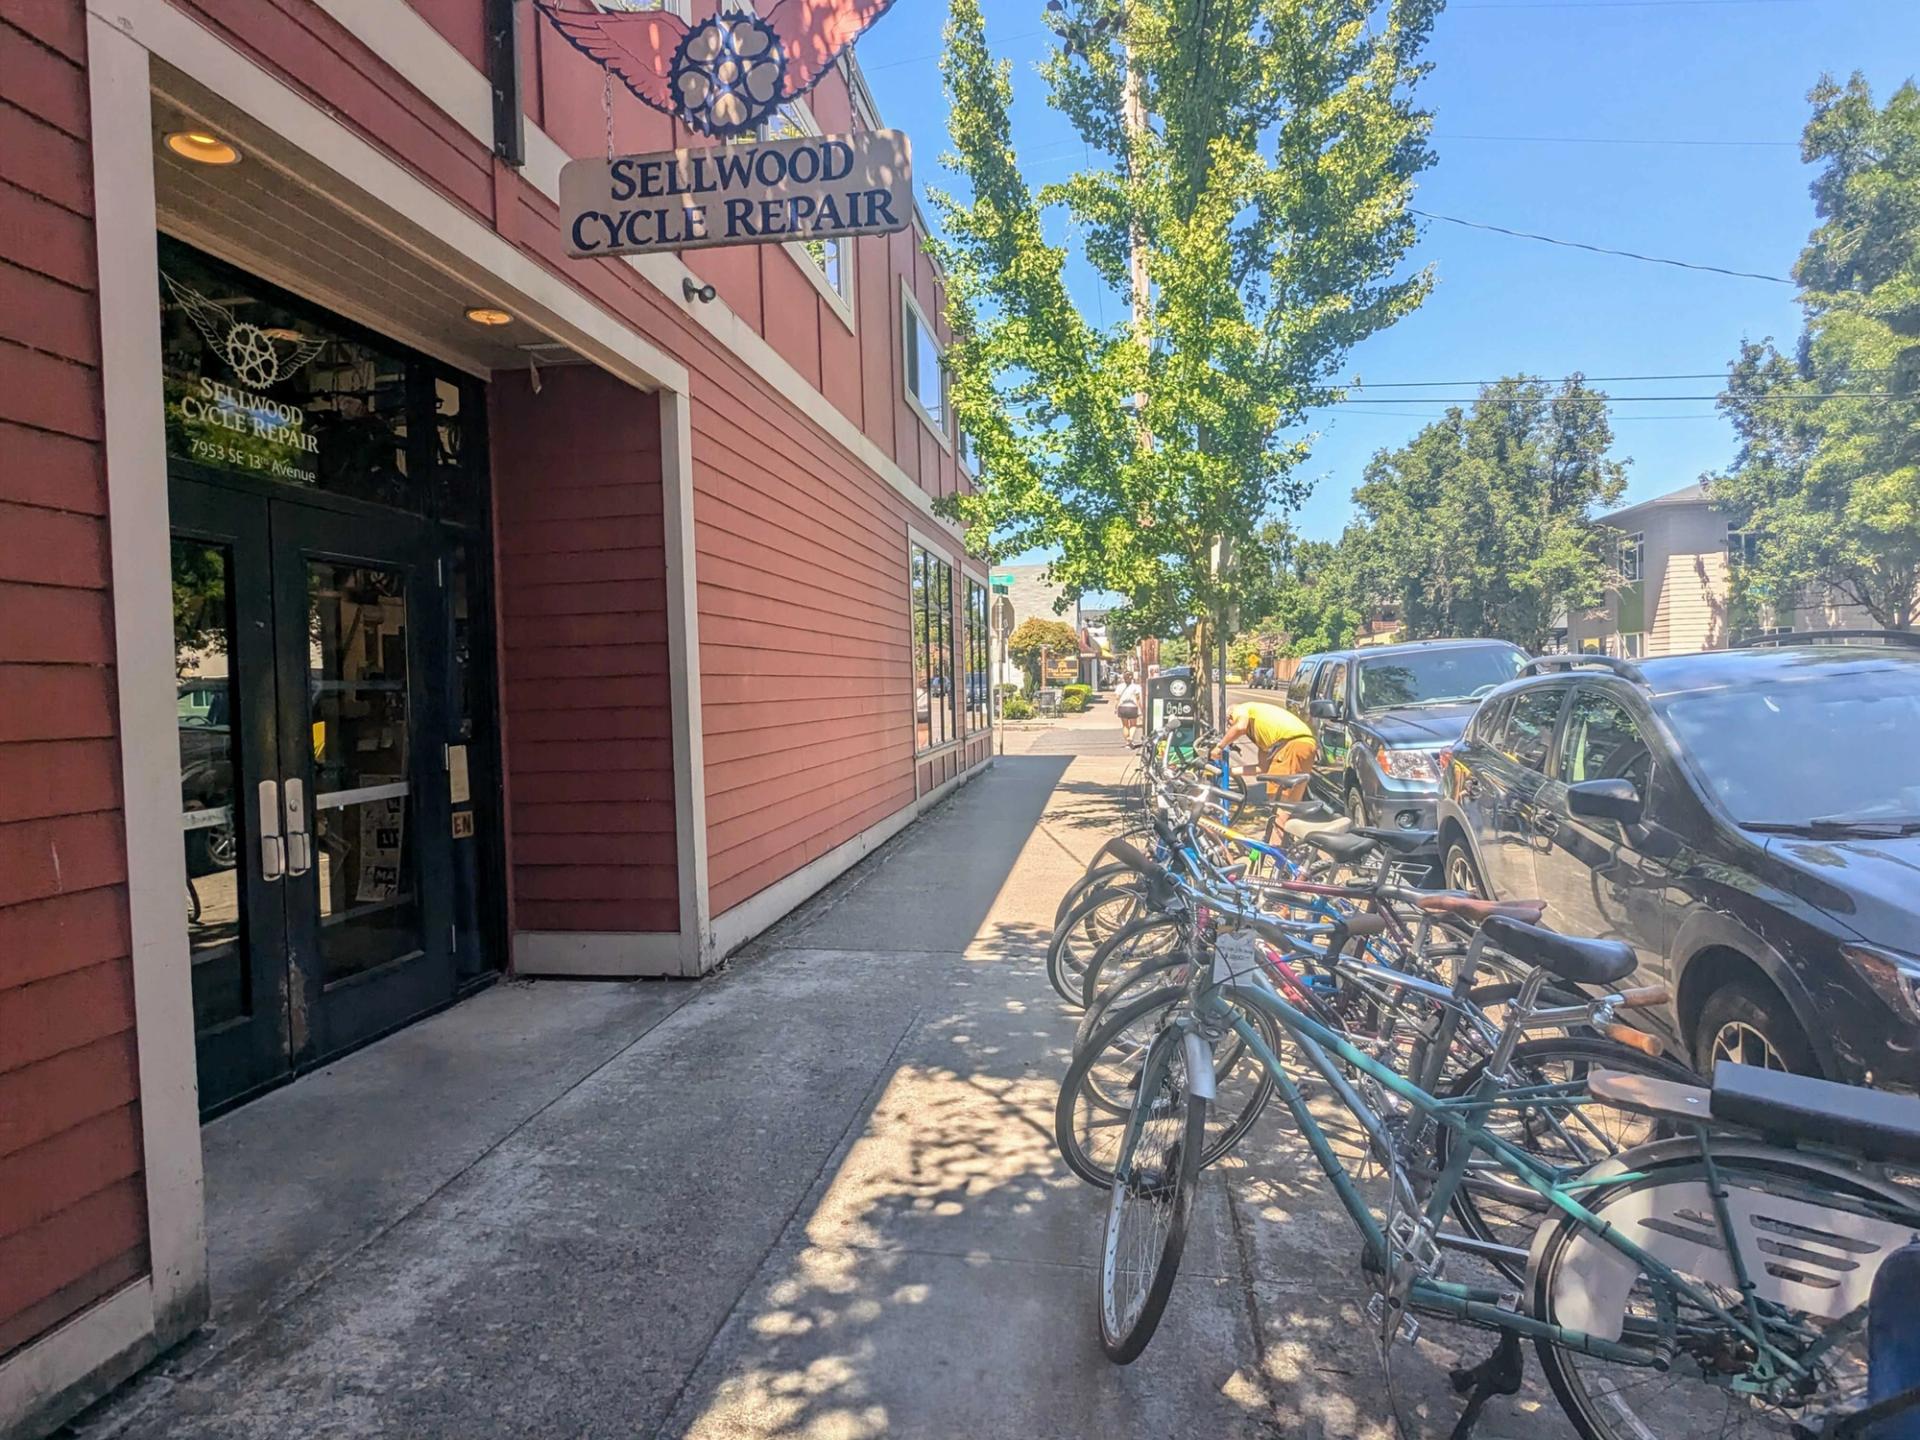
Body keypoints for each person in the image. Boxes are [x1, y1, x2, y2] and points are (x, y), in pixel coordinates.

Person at [1216, 699, 1316, 799]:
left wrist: (1219, 747)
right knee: (1290, 799)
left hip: (1292, 744)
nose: (1229, 728)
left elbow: (1240, 727)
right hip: (1307, 744)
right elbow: (1263, 768)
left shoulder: (1240, 709)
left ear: (1230, 718)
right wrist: (1229, 771)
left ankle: (1278, 814)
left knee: (1277, 795)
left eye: (1229, 725)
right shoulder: (1262, 732)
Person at [1114, 671, 1144, 744]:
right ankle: (1130, 737)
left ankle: (1127, 742)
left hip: (1122, 707)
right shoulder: (1136, 687)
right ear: (1132, 678)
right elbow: (1138, 699)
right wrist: (1140, 710)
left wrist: (1115, 708)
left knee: (1125, 725)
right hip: (1132, 707)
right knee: (1133, 725)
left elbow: (1117, 698)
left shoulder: (1119, 687)